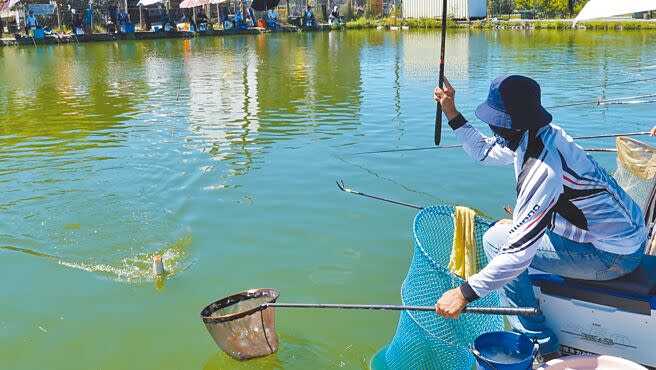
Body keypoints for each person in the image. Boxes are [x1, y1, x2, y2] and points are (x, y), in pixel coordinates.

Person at [432, 75, 647, 357]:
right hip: (624, 235)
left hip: (615, 257)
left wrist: (463, 293)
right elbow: (485, 152)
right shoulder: (539, 133)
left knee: (498, 244)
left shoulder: (542, 167)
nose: (493, 126)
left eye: (497, 120)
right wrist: (451, 112)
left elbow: (517, 255)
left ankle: (539, 344)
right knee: (505, 232)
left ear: (512, 123)